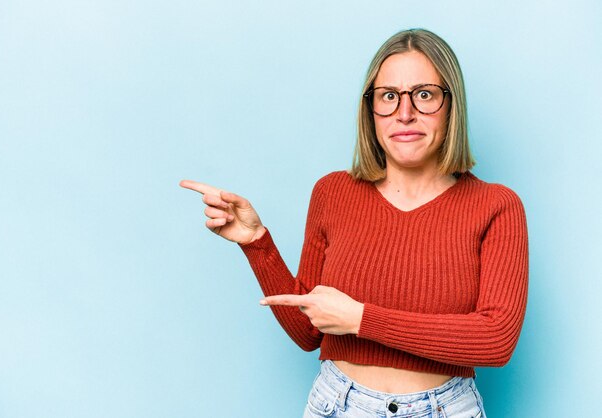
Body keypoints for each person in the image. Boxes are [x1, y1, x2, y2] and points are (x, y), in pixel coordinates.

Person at [180, 28, 528, 418]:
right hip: (337, 405)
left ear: (452, 104)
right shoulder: (333, 193)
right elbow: (310, 333)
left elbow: (495, 341)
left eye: (425, 94)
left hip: (446, 409)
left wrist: (362, 319)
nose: (405, 112)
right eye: (389, 96)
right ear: (371, 109)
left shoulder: (496, 206)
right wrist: (256, 242)